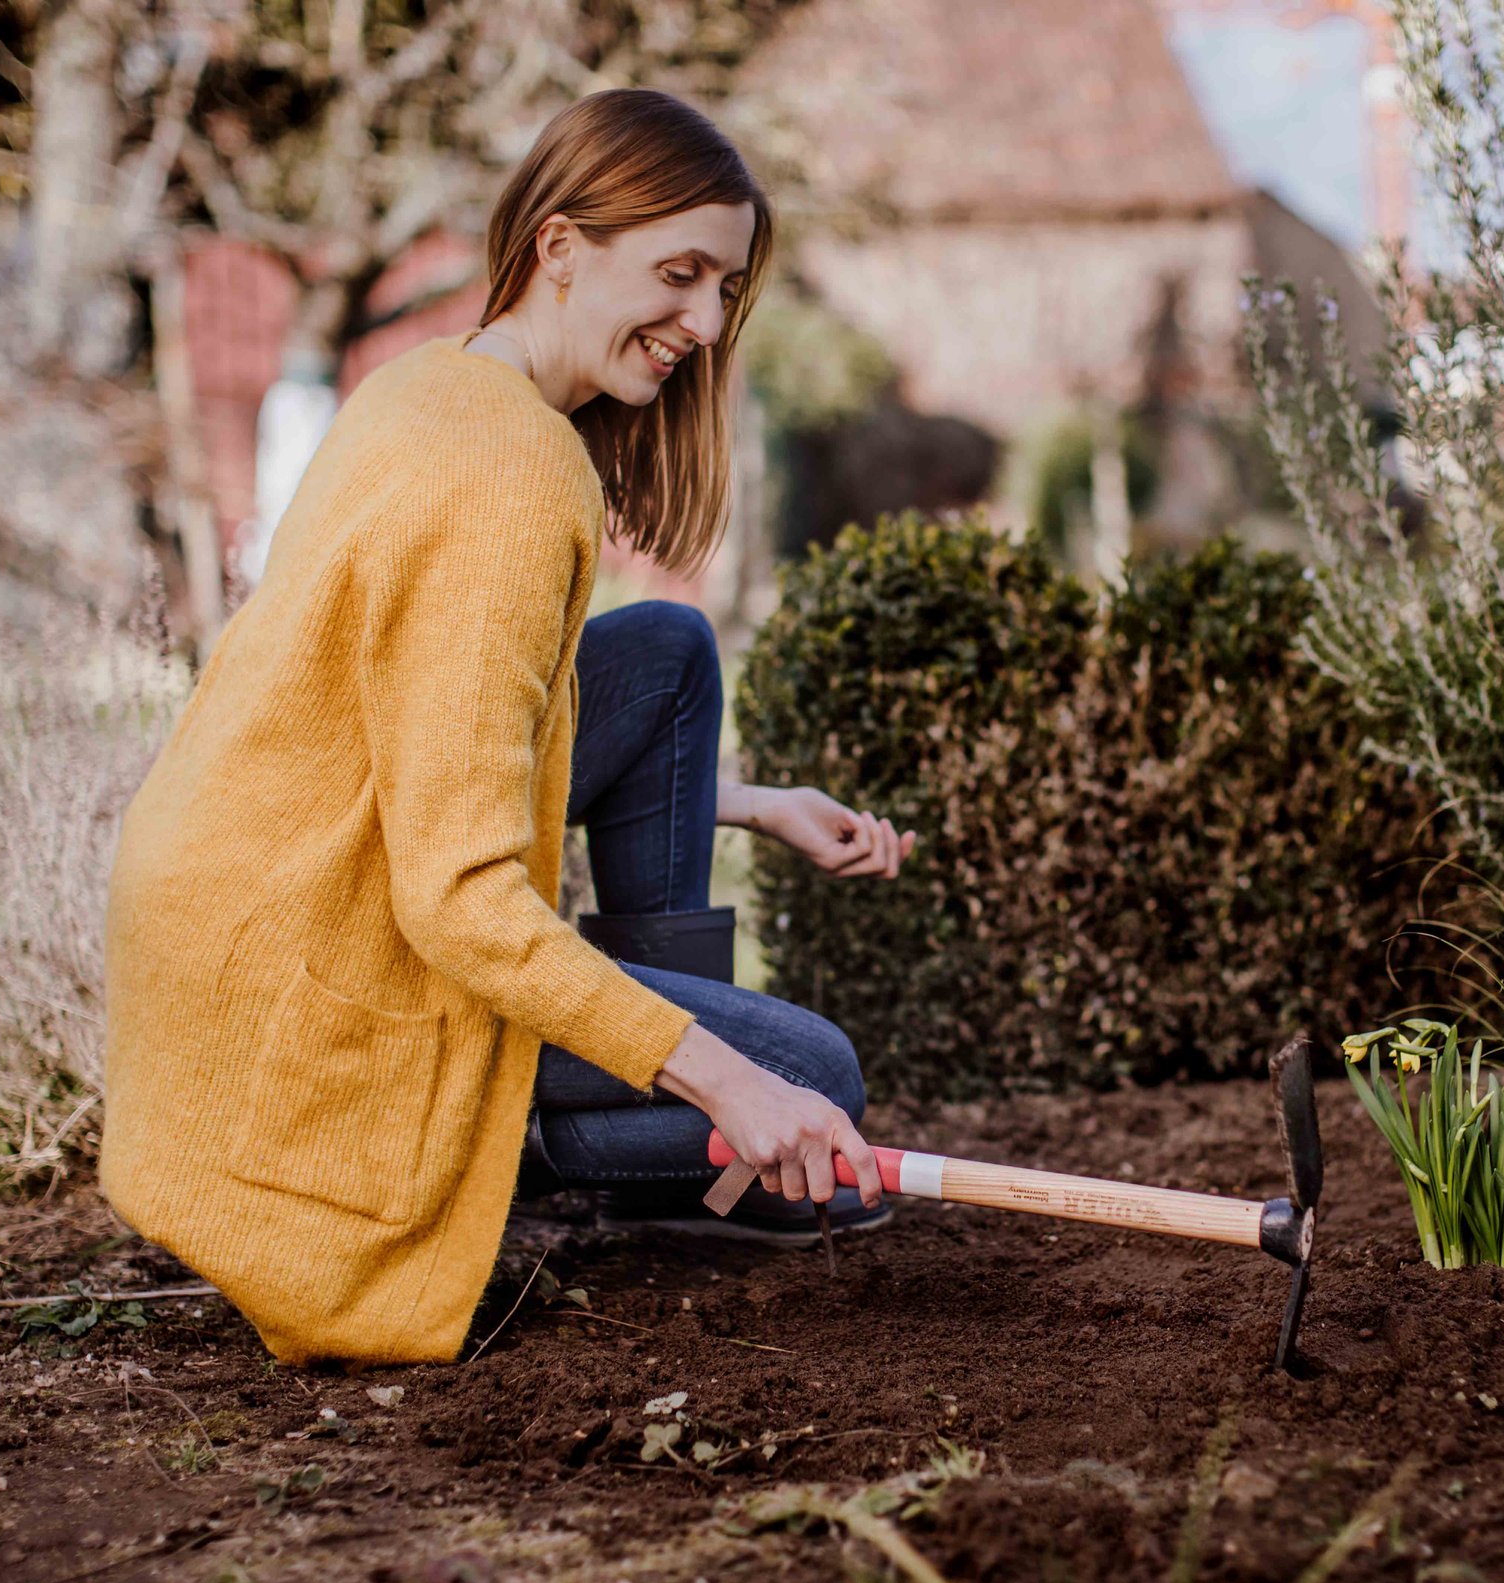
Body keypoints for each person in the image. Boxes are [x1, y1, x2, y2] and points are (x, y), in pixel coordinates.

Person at [100, 89, 911, 1366]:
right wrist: (727, 1079)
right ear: (561, 246)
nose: (703, 324)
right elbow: (463, 897)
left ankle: (636, 1095)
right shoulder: (510, 481)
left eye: (723, 289)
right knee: (820, 1075)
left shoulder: (432, 382)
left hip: (249, 901)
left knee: (662, 655)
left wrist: (750, 804)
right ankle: (563, 1146)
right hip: (311, 981)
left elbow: (460, 733)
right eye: (679, 274)